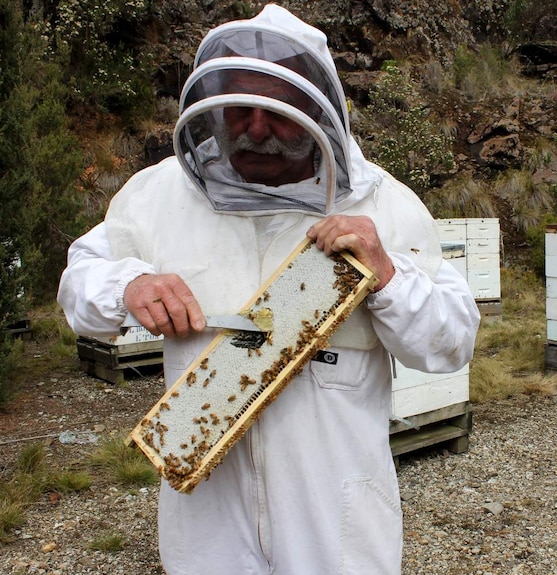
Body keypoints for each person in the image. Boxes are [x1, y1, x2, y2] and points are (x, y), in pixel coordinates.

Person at [57, 5, 481, 574]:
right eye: (239, 109)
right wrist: (126, 284)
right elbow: (79, 280)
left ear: (316, 110)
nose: (256, 130)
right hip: (206, 515)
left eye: (278, 112)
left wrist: (387, 275)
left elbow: (452, 342)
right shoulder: (158, 195)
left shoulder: (385, 207)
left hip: (336, 525)